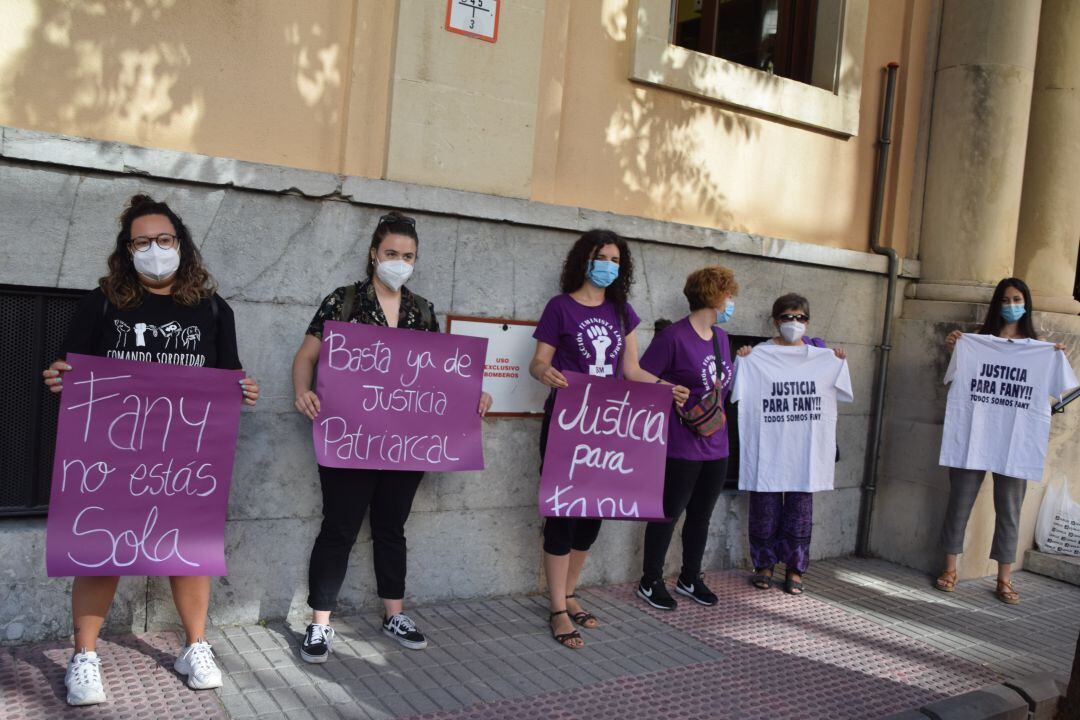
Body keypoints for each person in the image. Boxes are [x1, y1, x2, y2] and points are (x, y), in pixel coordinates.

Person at [42, 194, 259, 706]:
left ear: (181, 245)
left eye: (164, 240)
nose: (154, 250)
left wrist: (241, 390)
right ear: (127, 249)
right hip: (112, 454)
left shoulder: (212, 309)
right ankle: (85, 656)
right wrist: (60, 378)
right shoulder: (101, 302)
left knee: (188, 552)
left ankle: (195, 646)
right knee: (99, 550)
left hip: (183, 457)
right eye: (142, 242)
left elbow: (228, 376)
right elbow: (70, 369)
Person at [292, 211, 492, 663]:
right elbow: (306, 355)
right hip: (350, 439)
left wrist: (473, 395)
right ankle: (320, 624)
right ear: (373, 254)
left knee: (391, 528)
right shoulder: (343, 301)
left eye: (408, 256)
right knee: (338, 528)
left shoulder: (422, 310)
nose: (399, 262)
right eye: (391, 254)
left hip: (406, 443)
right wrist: (302, 392)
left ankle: (394, 614)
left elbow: (443, 373)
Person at [529, 229, 689, 648]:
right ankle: (557, 608)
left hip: (609, 428)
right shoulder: (559, 308)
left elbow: (632, 370)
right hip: (568, 424)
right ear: (585, 259)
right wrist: (546, 373)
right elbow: (538, 362)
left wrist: (664, 386)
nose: (609, 265)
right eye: (602, 257)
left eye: (616, 260)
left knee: (593, 514)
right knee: (563, 514)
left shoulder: (622, 312)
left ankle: (571, 591)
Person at [935, 277, 1070, 605]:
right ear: (998, 304)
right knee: (959, 501)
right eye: (1007, 300)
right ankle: (950, 567)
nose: (1012, 305)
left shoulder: (1040, 349)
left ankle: (1004, 578)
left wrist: (1055, 358)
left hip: (1016, 442)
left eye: (1018, 299)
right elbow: (952, 377)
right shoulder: (975, 342)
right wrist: (956, 347)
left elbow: (1060, 389)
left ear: (1027, 304)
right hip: (972, 436)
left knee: (1010, 509)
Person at [635, 266, 738, 610]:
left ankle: (690, 576)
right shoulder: (673, 337)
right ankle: (650, 580)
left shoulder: (721, 338)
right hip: (681, 442)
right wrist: (668, 388)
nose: (731, 302)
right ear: (715, 296)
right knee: (667, 512)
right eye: (728, 295)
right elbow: (639, 378)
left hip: (717, 443)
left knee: (701, 515)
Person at [736, 293, 845, 596]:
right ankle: (764, 565)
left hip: (803, 449)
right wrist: (744, 358)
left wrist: (836, 362)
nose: (794, 323)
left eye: (800, 317)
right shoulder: (759, 354)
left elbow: (841, 391)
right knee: (764, 506)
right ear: (775, 321)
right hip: (768, 445)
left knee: (800, 507)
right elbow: (739, 388)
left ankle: (795, 569)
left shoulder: (820, 354)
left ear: (808, 322)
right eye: (788, 317)